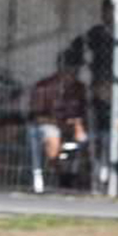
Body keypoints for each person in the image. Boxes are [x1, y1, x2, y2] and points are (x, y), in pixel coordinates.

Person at [27, 47, 88, 193]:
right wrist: (60, 124)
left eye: (76, 68)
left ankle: (75, 176)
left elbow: (84, 114)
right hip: (48, 125)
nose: (74, 72)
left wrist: (78, 125)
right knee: (52, 135)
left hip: (71, 127)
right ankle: (59, 175)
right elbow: (37, 116)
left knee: (84, 139)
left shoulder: (79, 88)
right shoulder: (45, 86)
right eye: (71, 67)